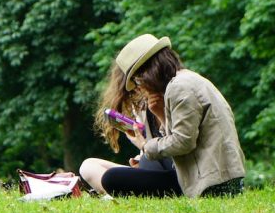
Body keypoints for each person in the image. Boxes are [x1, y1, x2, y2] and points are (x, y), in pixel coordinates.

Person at [79, 34, 246, 197]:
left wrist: (145, 146)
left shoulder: (180, 87)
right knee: (106, 168)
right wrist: (160, 114)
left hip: (212, 184)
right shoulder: (185, 80)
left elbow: (183, 143)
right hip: (210, 177)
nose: (139, 86)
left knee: (112, 178)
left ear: (149, 71)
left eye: (138, 80)